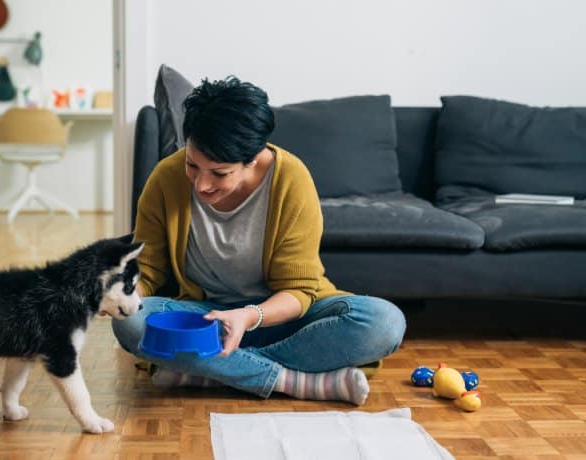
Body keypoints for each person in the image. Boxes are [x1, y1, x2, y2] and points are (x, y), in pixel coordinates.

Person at [112, 76, 406, 404]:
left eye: (219, 174)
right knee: (131, 323)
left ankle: (207, 370)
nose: (201, 186)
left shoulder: (291, 180)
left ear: (252, 158)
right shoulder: (166, 178)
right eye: (193, 166)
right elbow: (147, 270)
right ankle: (289, 379)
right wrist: (117, 293)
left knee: (384, 323)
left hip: (281, 318)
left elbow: (299, 290)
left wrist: (249, 317)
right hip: (206, 321)